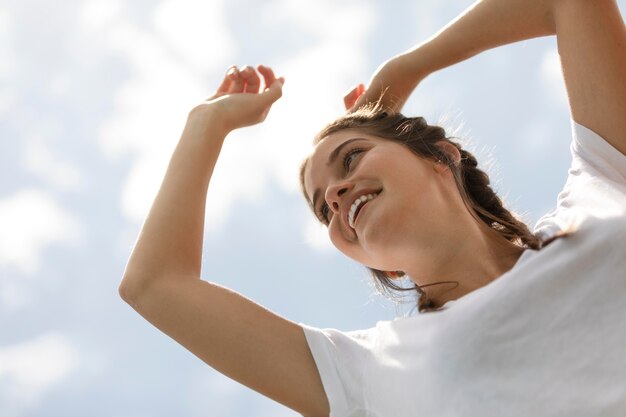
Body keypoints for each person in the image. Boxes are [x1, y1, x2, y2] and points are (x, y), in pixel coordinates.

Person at [119, 0, 626, 416]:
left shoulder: (603, 185)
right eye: (323, 209)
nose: (336, 197)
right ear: (373, 261)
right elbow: (155, 286)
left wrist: (406, 67)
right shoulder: (368, 372)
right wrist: (204, 125)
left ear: (441, 157)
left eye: (352, 157)